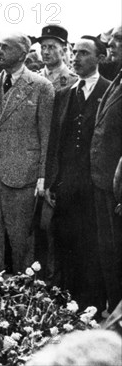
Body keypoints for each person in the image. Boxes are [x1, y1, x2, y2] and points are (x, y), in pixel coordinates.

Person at [0, 33, 54, 274]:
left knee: (21, 241)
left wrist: (42, 177)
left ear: (22, 54)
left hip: (21, 175)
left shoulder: (41, 87)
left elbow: (46, 136)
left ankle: (23, 294)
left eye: (5, 47)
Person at [44, 36, 110, 312]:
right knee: (65, 242)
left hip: (95, 185)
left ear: (100, 58)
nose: (76, 58)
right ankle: (66, 305)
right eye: (75, 52)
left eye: (84, 53)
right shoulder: (66, 94)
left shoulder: (109, 91)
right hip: (67, 184)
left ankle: (91, 306)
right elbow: (55, 140)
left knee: (92, 246)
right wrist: (50, 181)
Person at [90, 24, 122, 314]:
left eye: (117, 42)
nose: (110, 47)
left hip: (118, 188)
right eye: (110, 42)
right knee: (109, 251)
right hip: (104, 182)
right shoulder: (118, 79)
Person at [38, 25, 78, 91]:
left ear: (63, 51)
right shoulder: (34, 79)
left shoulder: (74, 81)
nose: (46, 52)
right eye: (43, 47)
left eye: (51, 47)